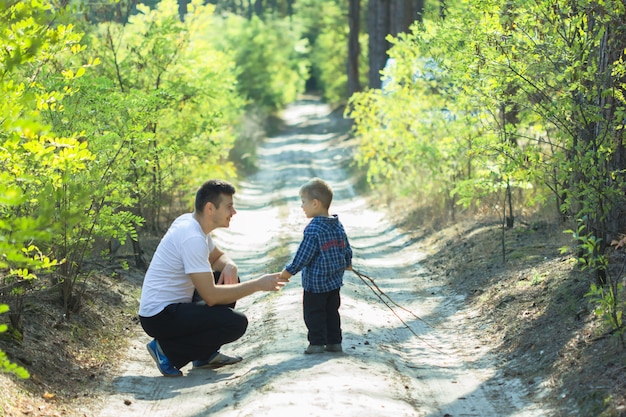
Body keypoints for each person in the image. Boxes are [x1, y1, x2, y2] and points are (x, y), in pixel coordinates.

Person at [138, 179, 289, 377]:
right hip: (160, 316)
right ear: (210, 208)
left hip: (173, 308)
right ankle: (166, 351)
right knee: (235, 323)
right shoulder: (191, 236)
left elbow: (218, 258)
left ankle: (204, 355)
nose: (233, 212)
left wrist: (230, 266)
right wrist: (258, 285)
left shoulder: (193, 225)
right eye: (229, 207)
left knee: (226, 278)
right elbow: (211, 296)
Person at [279, 178, 353, 354]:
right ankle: (334, 343)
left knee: (314, 314)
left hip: (315, 284)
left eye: (303, 202)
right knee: (332, 313)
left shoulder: (314, 228)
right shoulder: (337, 224)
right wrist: (348, 262)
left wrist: (288, 271)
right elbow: (346, 246)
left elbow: (304, 255)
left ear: (315, 203)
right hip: (334, 282)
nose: (301, 206)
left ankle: (317, 344)